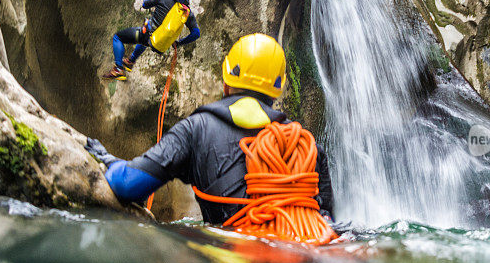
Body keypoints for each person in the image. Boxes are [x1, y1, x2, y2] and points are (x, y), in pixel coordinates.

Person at [87, 33, 335, 224]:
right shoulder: (306, 145)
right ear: (277, 89)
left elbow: (128, 185)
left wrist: (109, 160)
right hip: (304, 262)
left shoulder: (196, 130)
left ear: (226, 80)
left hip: (231, 262)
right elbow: (327, 219)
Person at [102, 0, 201, 81]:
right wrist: (179, 43)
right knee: (145, 41)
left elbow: (145, 4)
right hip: (155, 41)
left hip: (146, 34)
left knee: (118, 37)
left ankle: (118, 69)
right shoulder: (187, 13)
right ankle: (130, 61)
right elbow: (196, 34)